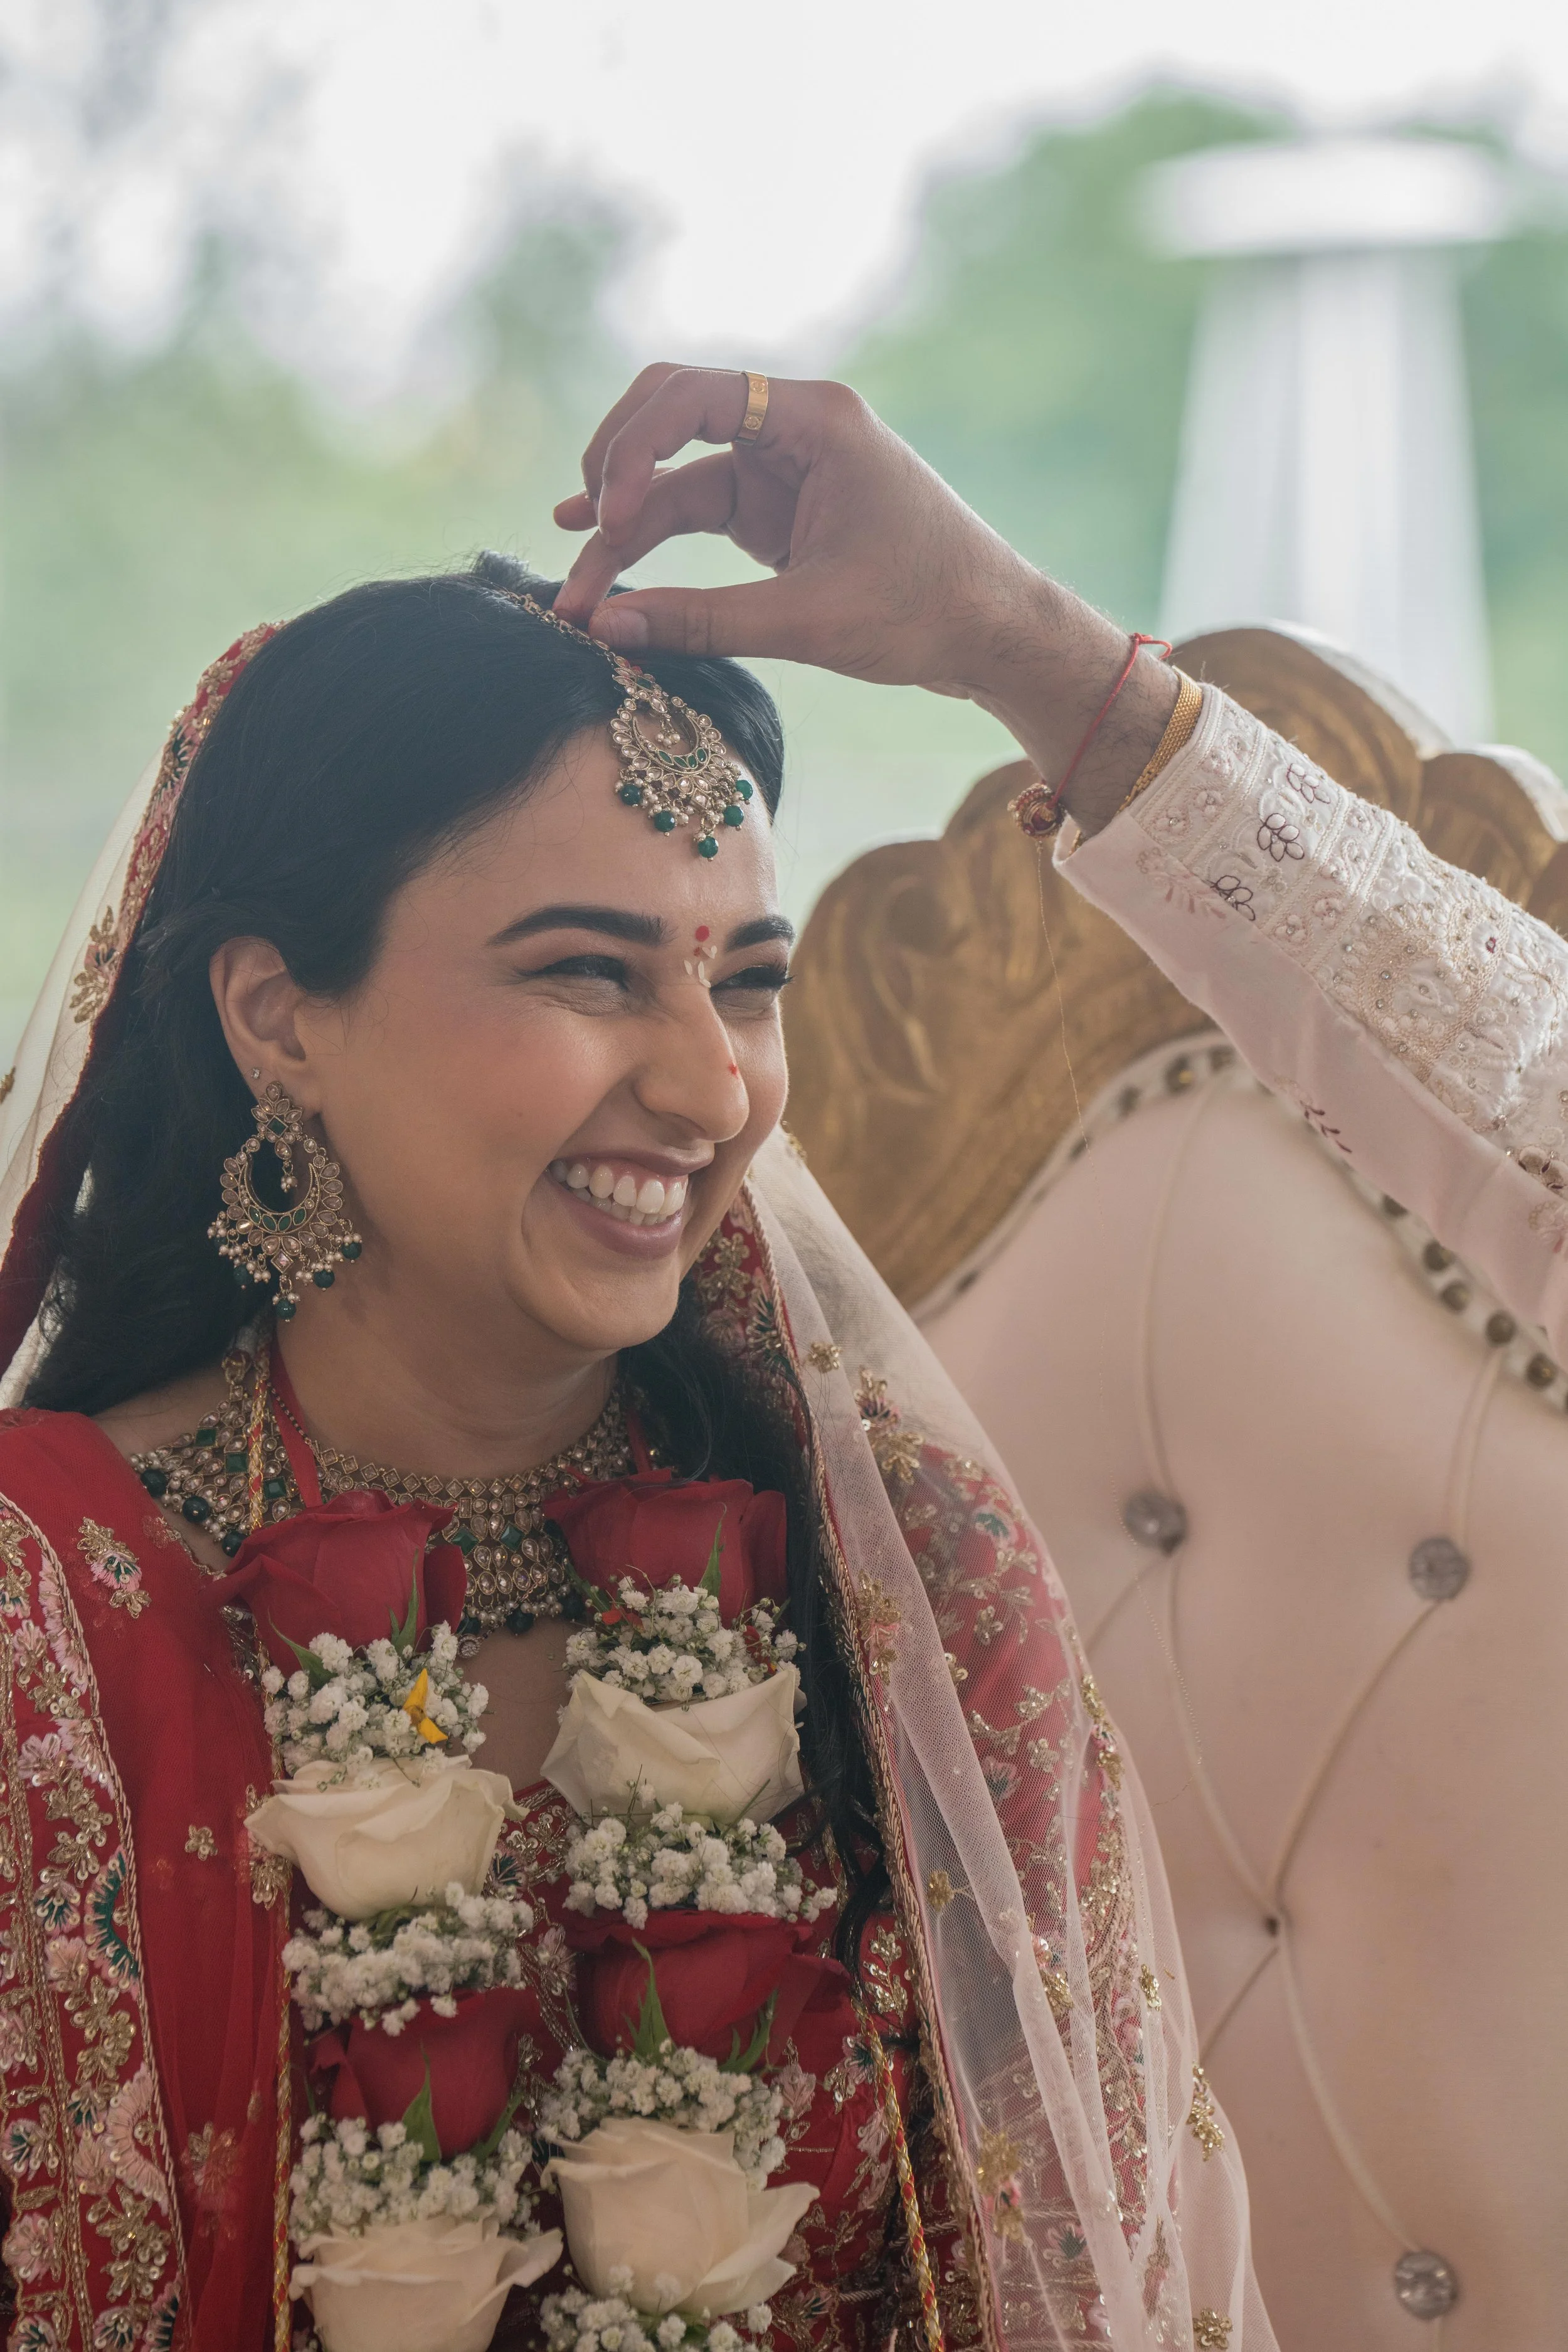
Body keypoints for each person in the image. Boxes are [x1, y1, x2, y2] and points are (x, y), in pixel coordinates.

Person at [11, 352, 1550, 2352]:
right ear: (275, 1013)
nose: (704, 1079)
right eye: (583, 969)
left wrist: (1022, 647)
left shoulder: (897, 1578)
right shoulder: (56, 1615)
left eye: (747, 977)